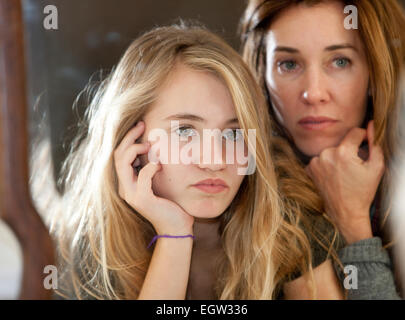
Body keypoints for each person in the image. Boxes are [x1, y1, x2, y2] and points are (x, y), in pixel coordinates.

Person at [30, 24, 323, 299]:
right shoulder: (82, 253)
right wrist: (174, 237)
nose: (214, 161)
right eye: (184, 130)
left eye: (233, 133)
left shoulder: (290, 220)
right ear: (131, 139)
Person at [240, 0, 405, 299]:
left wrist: (354, 226)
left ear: (375, 71)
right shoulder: (234, 191)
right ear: (262, 75)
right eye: (289, 64)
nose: (313, 93)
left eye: (340, 61)